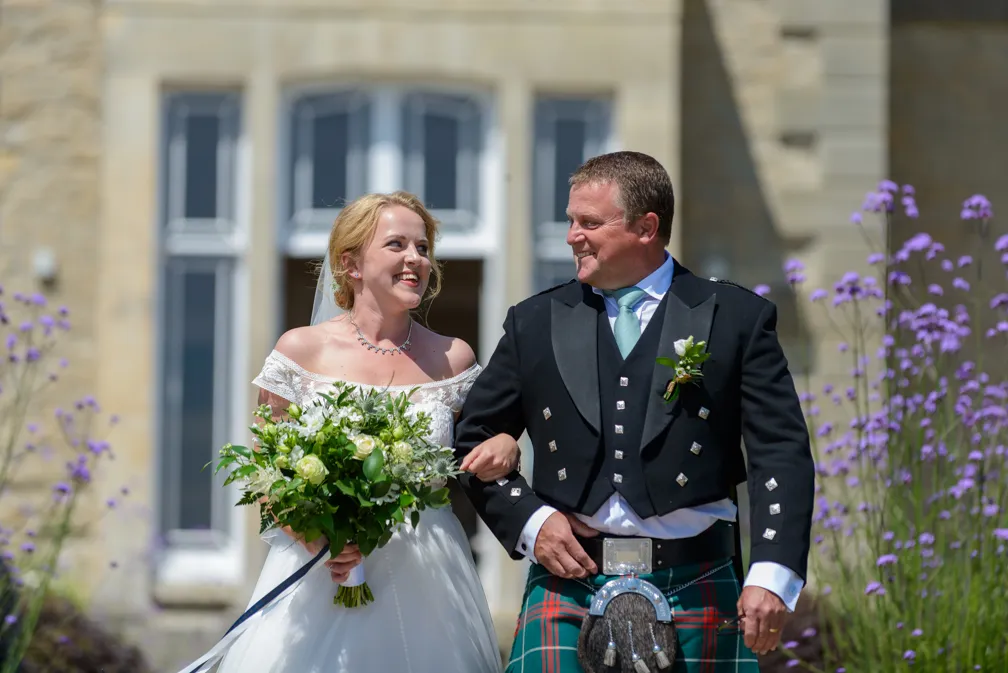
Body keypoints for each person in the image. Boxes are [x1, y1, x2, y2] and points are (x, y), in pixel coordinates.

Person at [455, 151, 815, 672]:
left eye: (590, 223)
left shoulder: (735, 317)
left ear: (647, 228)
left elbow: (779, 452)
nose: (572, 236)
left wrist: (772, 573)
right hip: (568, 586)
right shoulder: (536, 321)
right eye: (571, 221)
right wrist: (532, 521)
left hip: (697, 579)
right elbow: (472, 438)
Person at [215, 191, 515, 673]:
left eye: (422, 248)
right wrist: (320, 541)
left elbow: (481, 444)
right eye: (396, 245)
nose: (415, 259)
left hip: (429, 575)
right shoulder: (300, 350)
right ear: (350, 264)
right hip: (321, 572)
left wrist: (506, 443)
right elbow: (266, 475)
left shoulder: (453, 358)